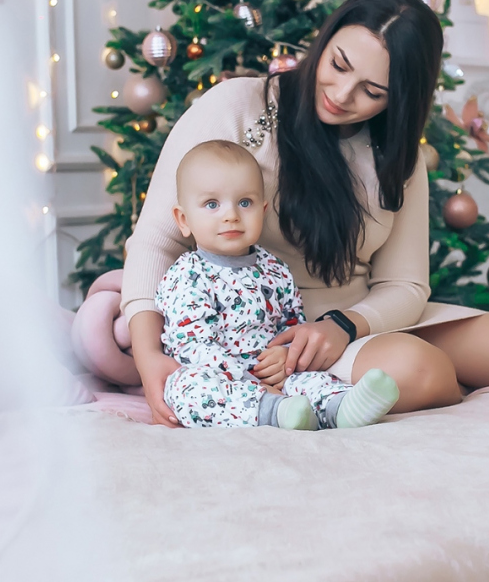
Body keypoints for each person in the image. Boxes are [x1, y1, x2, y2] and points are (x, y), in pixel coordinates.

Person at [121, 0, 489, 428]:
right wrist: (149, 359)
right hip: (267, 336)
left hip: (356, 323)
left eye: (372, 91)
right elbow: (155, 242)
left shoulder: (400, 156)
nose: (341, 94)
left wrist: (344, 326)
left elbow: (404, 284)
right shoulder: (239, 106)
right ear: (326, 39)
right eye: (338, 65)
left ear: (400, 98)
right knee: (420, 371)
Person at [154, 138, 401, 430]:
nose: (231, 215)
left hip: (275, 371)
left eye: (245, 203)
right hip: (220, 376)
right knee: (186, 389)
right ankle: (273, 412)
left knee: (312, 377)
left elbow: (291, 326)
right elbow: (192, 345)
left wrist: (285, 359)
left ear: (263, 210)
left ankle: (341, 407)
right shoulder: (186, 274)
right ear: (184, 220)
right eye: (212, 204)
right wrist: (248, 381)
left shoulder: (274, 269)